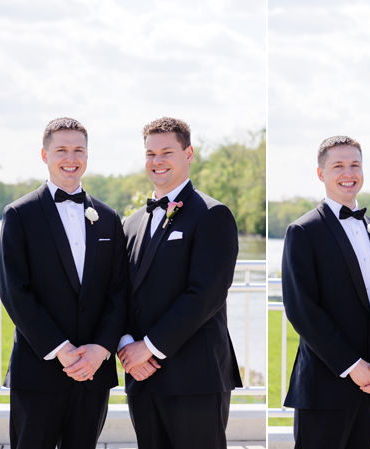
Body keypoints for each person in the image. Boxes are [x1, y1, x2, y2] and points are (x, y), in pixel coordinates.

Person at [0, 117, 128, 448]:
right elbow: (14, 290)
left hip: (93, 371)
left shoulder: (109, 219)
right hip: (39, 368)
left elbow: (118, 291)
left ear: (87, 155)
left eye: (78, 150)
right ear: (44, 155)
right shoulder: (20, 214)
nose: (71, 159)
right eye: (61, 150)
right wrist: (61, 349)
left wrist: (100, 349)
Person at [117, 117, 242, 449]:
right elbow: (118, 293)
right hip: (142, 377)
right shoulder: (131, 223)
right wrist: (127, 348)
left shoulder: (212, 214)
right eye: (150, 154)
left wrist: (149, 347)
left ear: (188, 154)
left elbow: (205, 295)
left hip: (195, 378)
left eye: (166, 152)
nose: (157, 161)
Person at [281, 135, 370, 448]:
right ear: (321, 174)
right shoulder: (303, 231)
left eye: (355, 165)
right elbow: (301, 309)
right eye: (338, 166)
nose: (349, 173)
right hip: (324, 385)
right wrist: (352, 366)